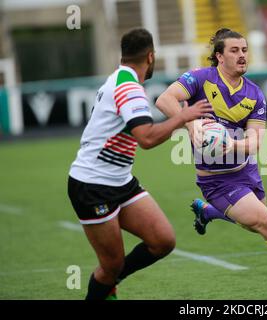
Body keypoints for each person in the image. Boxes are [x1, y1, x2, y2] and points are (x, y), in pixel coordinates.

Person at [155, 28, 267, 294]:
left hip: (246, 170)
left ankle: (206, 212)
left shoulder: (254, 94)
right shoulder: (199, 79)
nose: (242, 56)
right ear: (219, 56)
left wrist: (230, 145)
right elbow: (165, 99)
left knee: (250, 222)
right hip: (217, 181)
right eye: (234, 50)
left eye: (244, 50)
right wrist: (191, 125)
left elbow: (254, 142)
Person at [67, 28, 212, 300]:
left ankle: (108, 281)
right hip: (93, 185)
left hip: (120, 180)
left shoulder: (120, 78)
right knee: (110, 264)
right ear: (151, 56)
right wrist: (184, 117)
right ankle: (104, 283)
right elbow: (145, 138)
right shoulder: (128, 88)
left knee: (163, 240)